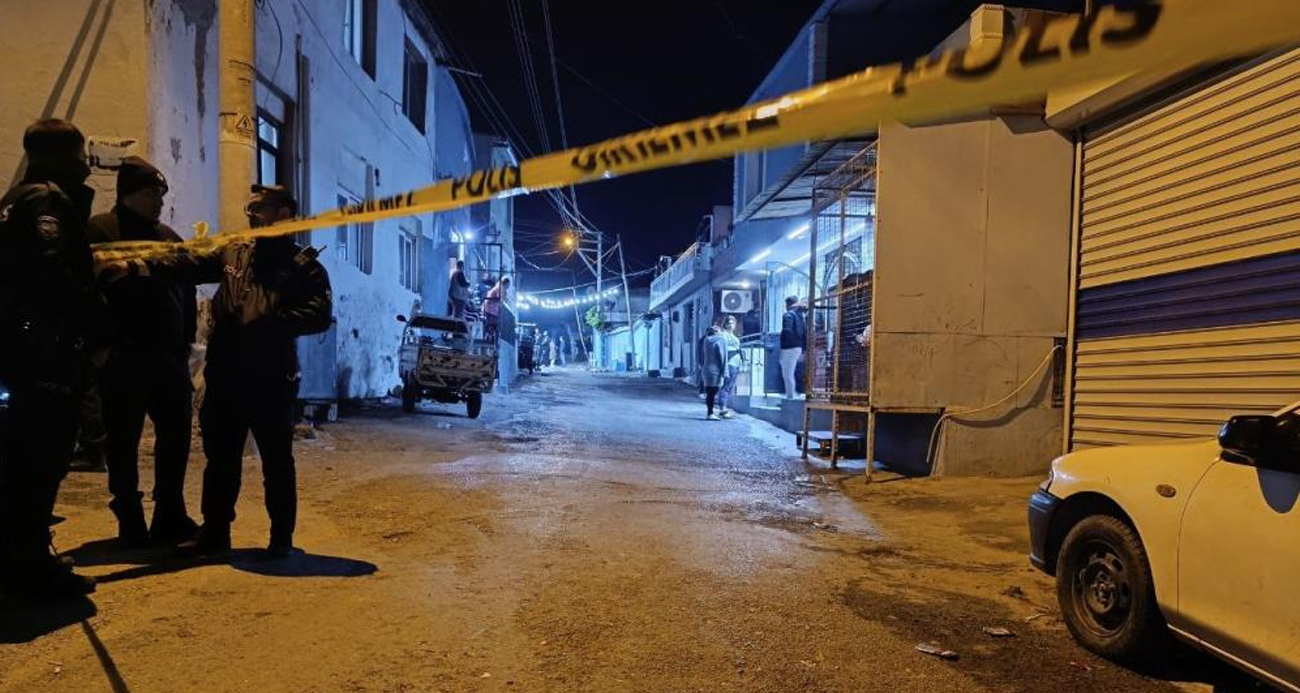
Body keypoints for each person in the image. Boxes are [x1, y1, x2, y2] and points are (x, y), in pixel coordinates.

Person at [100, 184, 332, 558]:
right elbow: (188, 266)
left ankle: (280, 539)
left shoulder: (303, 266)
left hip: (271, 378)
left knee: (276, 461)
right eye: (250, 208)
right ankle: (215, 532)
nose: (252, 215)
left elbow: (318, 315)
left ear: (285, 214)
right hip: (226, 375)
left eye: (261, 208)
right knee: (221, 459)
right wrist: (139, 265)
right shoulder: (234, 251)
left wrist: (267, 323)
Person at [0, 119, 104, 598]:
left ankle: (18, 557)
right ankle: (31, 568)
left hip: (17, 352)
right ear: (62, 157)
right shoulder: (47, 201)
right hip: (44, 356)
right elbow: (54, 273)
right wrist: (91, 323)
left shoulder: (11, 200)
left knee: (18, 460)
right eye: (81, 156)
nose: (86, 167)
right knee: (41, 460)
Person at [88, 156, 199, 546]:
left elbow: (186, 291)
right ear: (129, 194)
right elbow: (84, 292)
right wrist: (98, 346)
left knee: (176, 435)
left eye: (162, 195)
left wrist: (187, 342)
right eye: (152, 194)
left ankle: (170, 513)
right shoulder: (100, 231)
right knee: (122, 441)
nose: (159, 201)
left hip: (168, 357)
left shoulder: (168, 238)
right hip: (123, 357)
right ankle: (129, 518)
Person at [779, 296, 807, 399]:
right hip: (798, 347)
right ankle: (792, 395)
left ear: (788, 304)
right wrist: (804, 349)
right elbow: (805, 333)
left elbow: (787, 330)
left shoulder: (788, 315)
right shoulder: (800, 316)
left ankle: (790, 398)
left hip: (788, 348)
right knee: (792, 373)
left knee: (787, 374)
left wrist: (783, 343)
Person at [717, 315, 744, 418]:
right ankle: (722, 407)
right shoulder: (723, 335)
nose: (731, 325)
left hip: (736, 361)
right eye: (729, 323)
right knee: (727, 385)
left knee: (730, 385)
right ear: (725, 324)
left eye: (733, 323)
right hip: (730, 362)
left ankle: (724, 406)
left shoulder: (734, 336)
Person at [700, 326, 728, 421]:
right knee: (713, 392)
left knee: (710, 392)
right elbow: (722, 356)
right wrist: (725, 371)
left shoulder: (706, 340)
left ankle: (710, 412)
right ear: (717, 332)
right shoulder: (720, 340)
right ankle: (710, 413)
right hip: (716, 369)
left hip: (707, 368)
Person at [483, 276, 509, 341]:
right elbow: (500, 298)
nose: (508, 287)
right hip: (491, 308)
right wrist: (504, 297)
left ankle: (489, 336)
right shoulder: (499, 288)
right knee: (492, 323)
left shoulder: (499, 287)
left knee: (492, 323)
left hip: (491, 308)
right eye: (508, 285)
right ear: (506, 283)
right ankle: (489, 336)